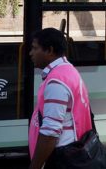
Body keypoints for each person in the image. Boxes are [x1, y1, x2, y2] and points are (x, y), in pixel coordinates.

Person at [28, 28, 94, 169]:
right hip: (72, 154)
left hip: (62, 158)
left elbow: (50, 133)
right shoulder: (68, 70)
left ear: (50, 50)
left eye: (35, 48)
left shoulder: (56, 82)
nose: (31, 53)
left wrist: (35, 166)